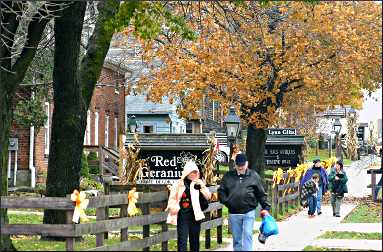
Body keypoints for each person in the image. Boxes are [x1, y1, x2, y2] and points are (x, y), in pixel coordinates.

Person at [218, 153, 271, 251]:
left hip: (248, 211)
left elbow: (261, 193)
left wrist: (266, 207)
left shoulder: (254, 176)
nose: (241, 167)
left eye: (243, 165)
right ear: (235, 164)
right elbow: (221, 191)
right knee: (237, 239)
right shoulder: (228, 176)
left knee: (247, 234)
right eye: (238, 165)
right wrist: (227, 202)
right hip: (234, 213)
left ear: (247, 164)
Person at [165, 160, 211, 252]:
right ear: (186, 172)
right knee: (182, 241)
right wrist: (173, 207)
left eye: (195, 172)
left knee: (195, 242)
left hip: (195, 217)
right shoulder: (178, 184)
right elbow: (172, 198)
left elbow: (208, 196)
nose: (193, 174)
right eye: (191, 172)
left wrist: (202, 186)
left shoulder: (198, 183)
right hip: (183, 217)